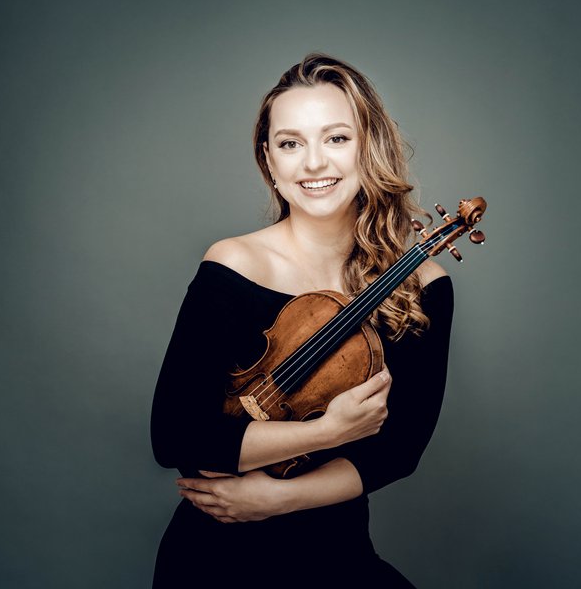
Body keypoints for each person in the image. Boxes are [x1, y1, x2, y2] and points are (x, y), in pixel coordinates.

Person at [150, 53, 454, 588]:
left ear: (369, 148)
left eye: (336, 138)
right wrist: (325, 431)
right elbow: (177, 436)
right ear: (269, 161)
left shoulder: (421, 284)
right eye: (291, 144)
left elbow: (399, 449)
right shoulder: (233, 264)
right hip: (213, 559)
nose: (314, 163)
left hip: (336, 552)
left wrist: (277, 498)